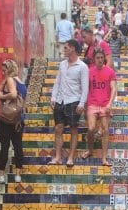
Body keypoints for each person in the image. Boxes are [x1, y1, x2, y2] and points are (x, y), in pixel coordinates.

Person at [50, 39, 89, 167]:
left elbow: (85, 87)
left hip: (74, 101)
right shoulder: (62, 64)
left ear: (72, 48)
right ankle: (58, 157)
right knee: (58, 128)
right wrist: (53, 97)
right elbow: (57, 81)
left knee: (73, 129)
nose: (64, 50)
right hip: (60, 100)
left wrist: (82, 103)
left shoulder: (82, 67)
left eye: (66, 47)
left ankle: (71, 157)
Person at [82, 48, 117, 167]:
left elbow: (114, 88)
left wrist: (110, 104)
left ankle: (104, 158)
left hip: (105, 105)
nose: (100, 60)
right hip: (92, 104)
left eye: (102, 57)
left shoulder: (110, 72)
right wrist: (84, 104)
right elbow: (85, 89)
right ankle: (90, 151)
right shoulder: (89, 71)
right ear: (94, 59)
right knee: (91, 128)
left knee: (105, 130)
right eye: (98, 58)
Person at [0, 59, 25, 183]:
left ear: (10, 68)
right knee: (18, 146)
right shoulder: (20, 81)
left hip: (6, 118)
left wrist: (1, 96)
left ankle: (1, 175)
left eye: (4, 69)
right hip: (18, 118)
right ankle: (18, 175)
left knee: (5, 146)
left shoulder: (10, 80)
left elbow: (13, 94)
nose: (3, 72)